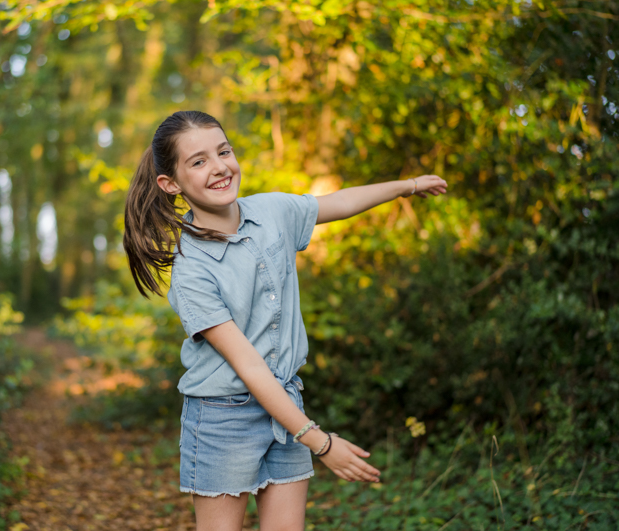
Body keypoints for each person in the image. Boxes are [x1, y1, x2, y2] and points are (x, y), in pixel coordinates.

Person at [123, 110, 447, 531]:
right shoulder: (192, 272)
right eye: (198, 161)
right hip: (224, 418)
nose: (220, 166)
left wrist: (408, 186)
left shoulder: (273, 211)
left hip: (286, 403)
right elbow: (250, 367)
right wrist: (320, 441)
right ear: (171, 184)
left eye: (224, 151)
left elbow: (340, 202)